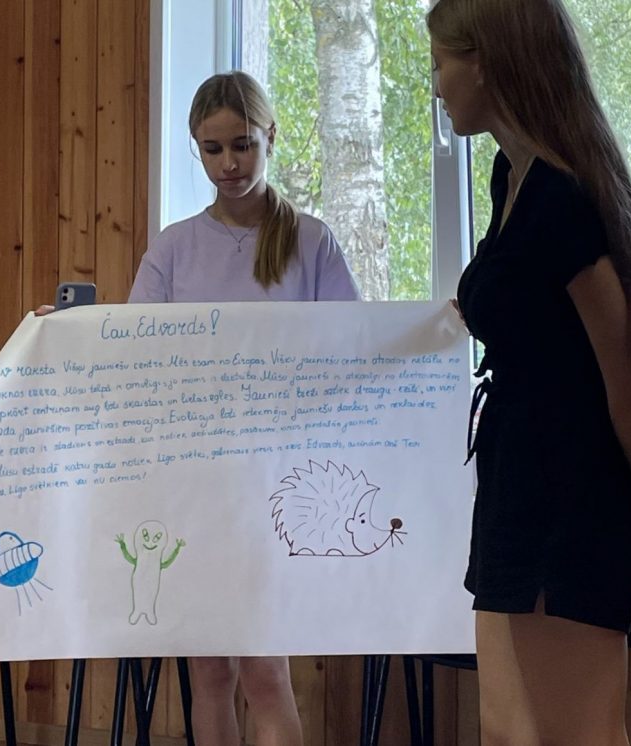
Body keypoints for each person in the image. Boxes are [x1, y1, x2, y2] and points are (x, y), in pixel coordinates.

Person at [428, 1, 631, 743]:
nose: (437, 84)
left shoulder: (564, 199)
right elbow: (536, 319)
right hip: (515, 490)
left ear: (485, 62)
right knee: (509, 732)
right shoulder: (511, 176)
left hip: (572, 502)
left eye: (441, 63)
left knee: (575, 734)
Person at [132, 71, 358, 745]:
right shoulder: (174, 247)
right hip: (194, 483)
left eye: (242, 146)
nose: (228, 164)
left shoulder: (312, 241)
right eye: (212, 149)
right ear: (196, 148)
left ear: (270, 139)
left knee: (265, 671)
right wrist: (62, 332)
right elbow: (132, 350)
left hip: (276, 484)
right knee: (209, 672)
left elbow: (349, 352)